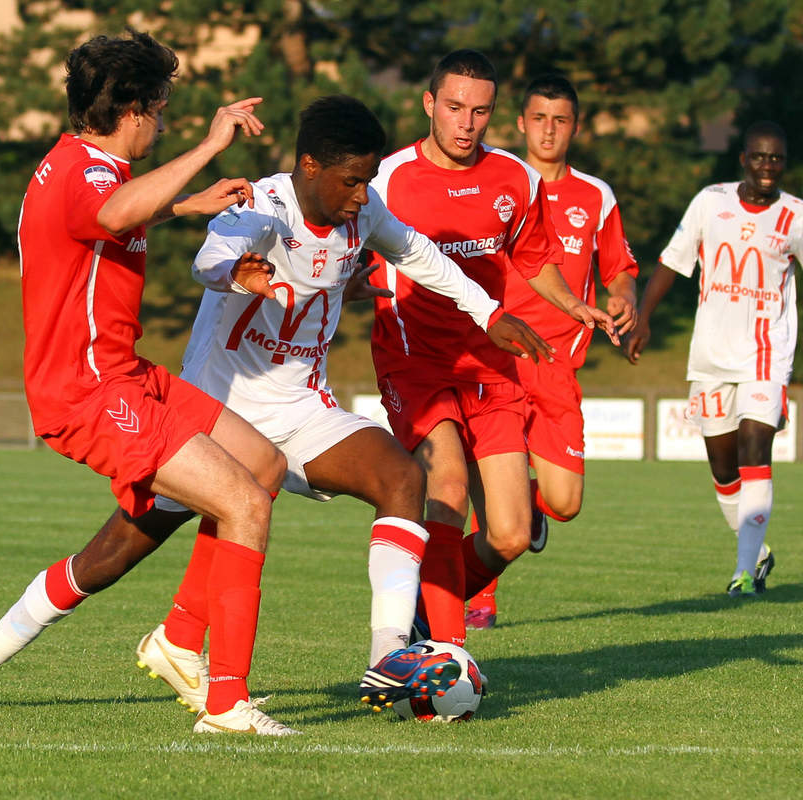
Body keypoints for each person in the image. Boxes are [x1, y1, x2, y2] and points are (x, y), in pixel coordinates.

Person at [0, 30, 298, 736]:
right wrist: (209, 149)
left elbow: (113, 218)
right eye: (162, 106)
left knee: (261, 468)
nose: (167, 120)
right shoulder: (89, 173)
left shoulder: (81, 164)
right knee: (243, 503)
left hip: (125, 375)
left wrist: (188, 205)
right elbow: (111, 211)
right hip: (89, 393)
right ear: (133, 109)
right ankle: (226, 705)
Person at [131, 94, 551, 715]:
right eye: (352, 180)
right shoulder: (264, 204)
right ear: (308, 166)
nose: (362, 194)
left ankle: (388, 657)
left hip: (299, 406)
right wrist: (235, 273)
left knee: (403, 476)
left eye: (369, 179)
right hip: (223, 410)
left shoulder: (361, 211)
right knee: (116, 552)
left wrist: (487, 311)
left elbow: (420, 254)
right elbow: (210, 255)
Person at [366, 50, 619, 646]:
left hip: (490, 365)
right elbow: (346, 243)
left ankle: (428, 615)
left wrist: (570, 303)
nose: (466, 123)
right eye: (454, 107)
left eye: (480, 111)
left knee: (510, 533)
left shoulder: (514, 178)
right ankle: (443, 656)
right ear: (430, 104)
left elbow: (533, 259)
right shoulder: (389, 176)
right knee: (448, 487)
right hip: (415, 362)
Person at [626, 121, 803, 596]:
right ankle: (757, 552)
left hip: (766, 354)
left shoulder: (798, 216)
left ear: (784, 164)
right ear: (743, 159)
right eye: (759, 157)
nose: (767, 167)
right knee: (722, 467)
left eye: (776, 159)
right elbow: (673, 262)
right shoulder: (709, 202)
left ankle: (742, 574)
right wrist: (644, 318)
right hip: (711, 355)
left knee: (756, 444)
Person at [465, 74, 639, 630]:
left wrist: (625, 298)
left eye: (560, 119)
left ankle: (533, 503)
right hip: (495, 360)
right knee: (486, 488)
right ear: (520, 122)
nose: (548, 130)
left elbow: (620, 268)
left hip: (557, 368)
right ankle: (479, 599)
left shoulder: (596, 196)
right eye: (538, 118)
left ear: (576, 127)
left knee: (564, 504)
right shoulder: (497, 182)